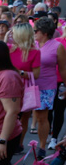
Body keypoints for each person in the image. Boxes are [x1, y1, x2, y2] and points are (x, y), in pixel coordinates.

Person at [33, 17, 66, 155]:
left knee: (42, 117)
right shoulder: (32, 44)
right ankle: (18, 144)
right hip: (29, 85)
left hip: (47, 86)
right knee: (22, 116)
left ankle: (41, 147)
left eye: (36, 30)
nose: (34, 32)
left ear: (44, 32)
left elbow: (63, 69)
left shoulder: (57, 46)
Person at [10, 23, 42, 138]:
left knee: (23, 117)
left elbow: (36, 74)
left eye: (13, 33)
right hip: (9, 86)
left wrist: (20, 73)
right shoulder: (9, 48)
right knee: (9, 114)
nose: (11, 35)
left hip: (24, 88)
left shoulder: (35, 52)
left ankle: (19, 142)